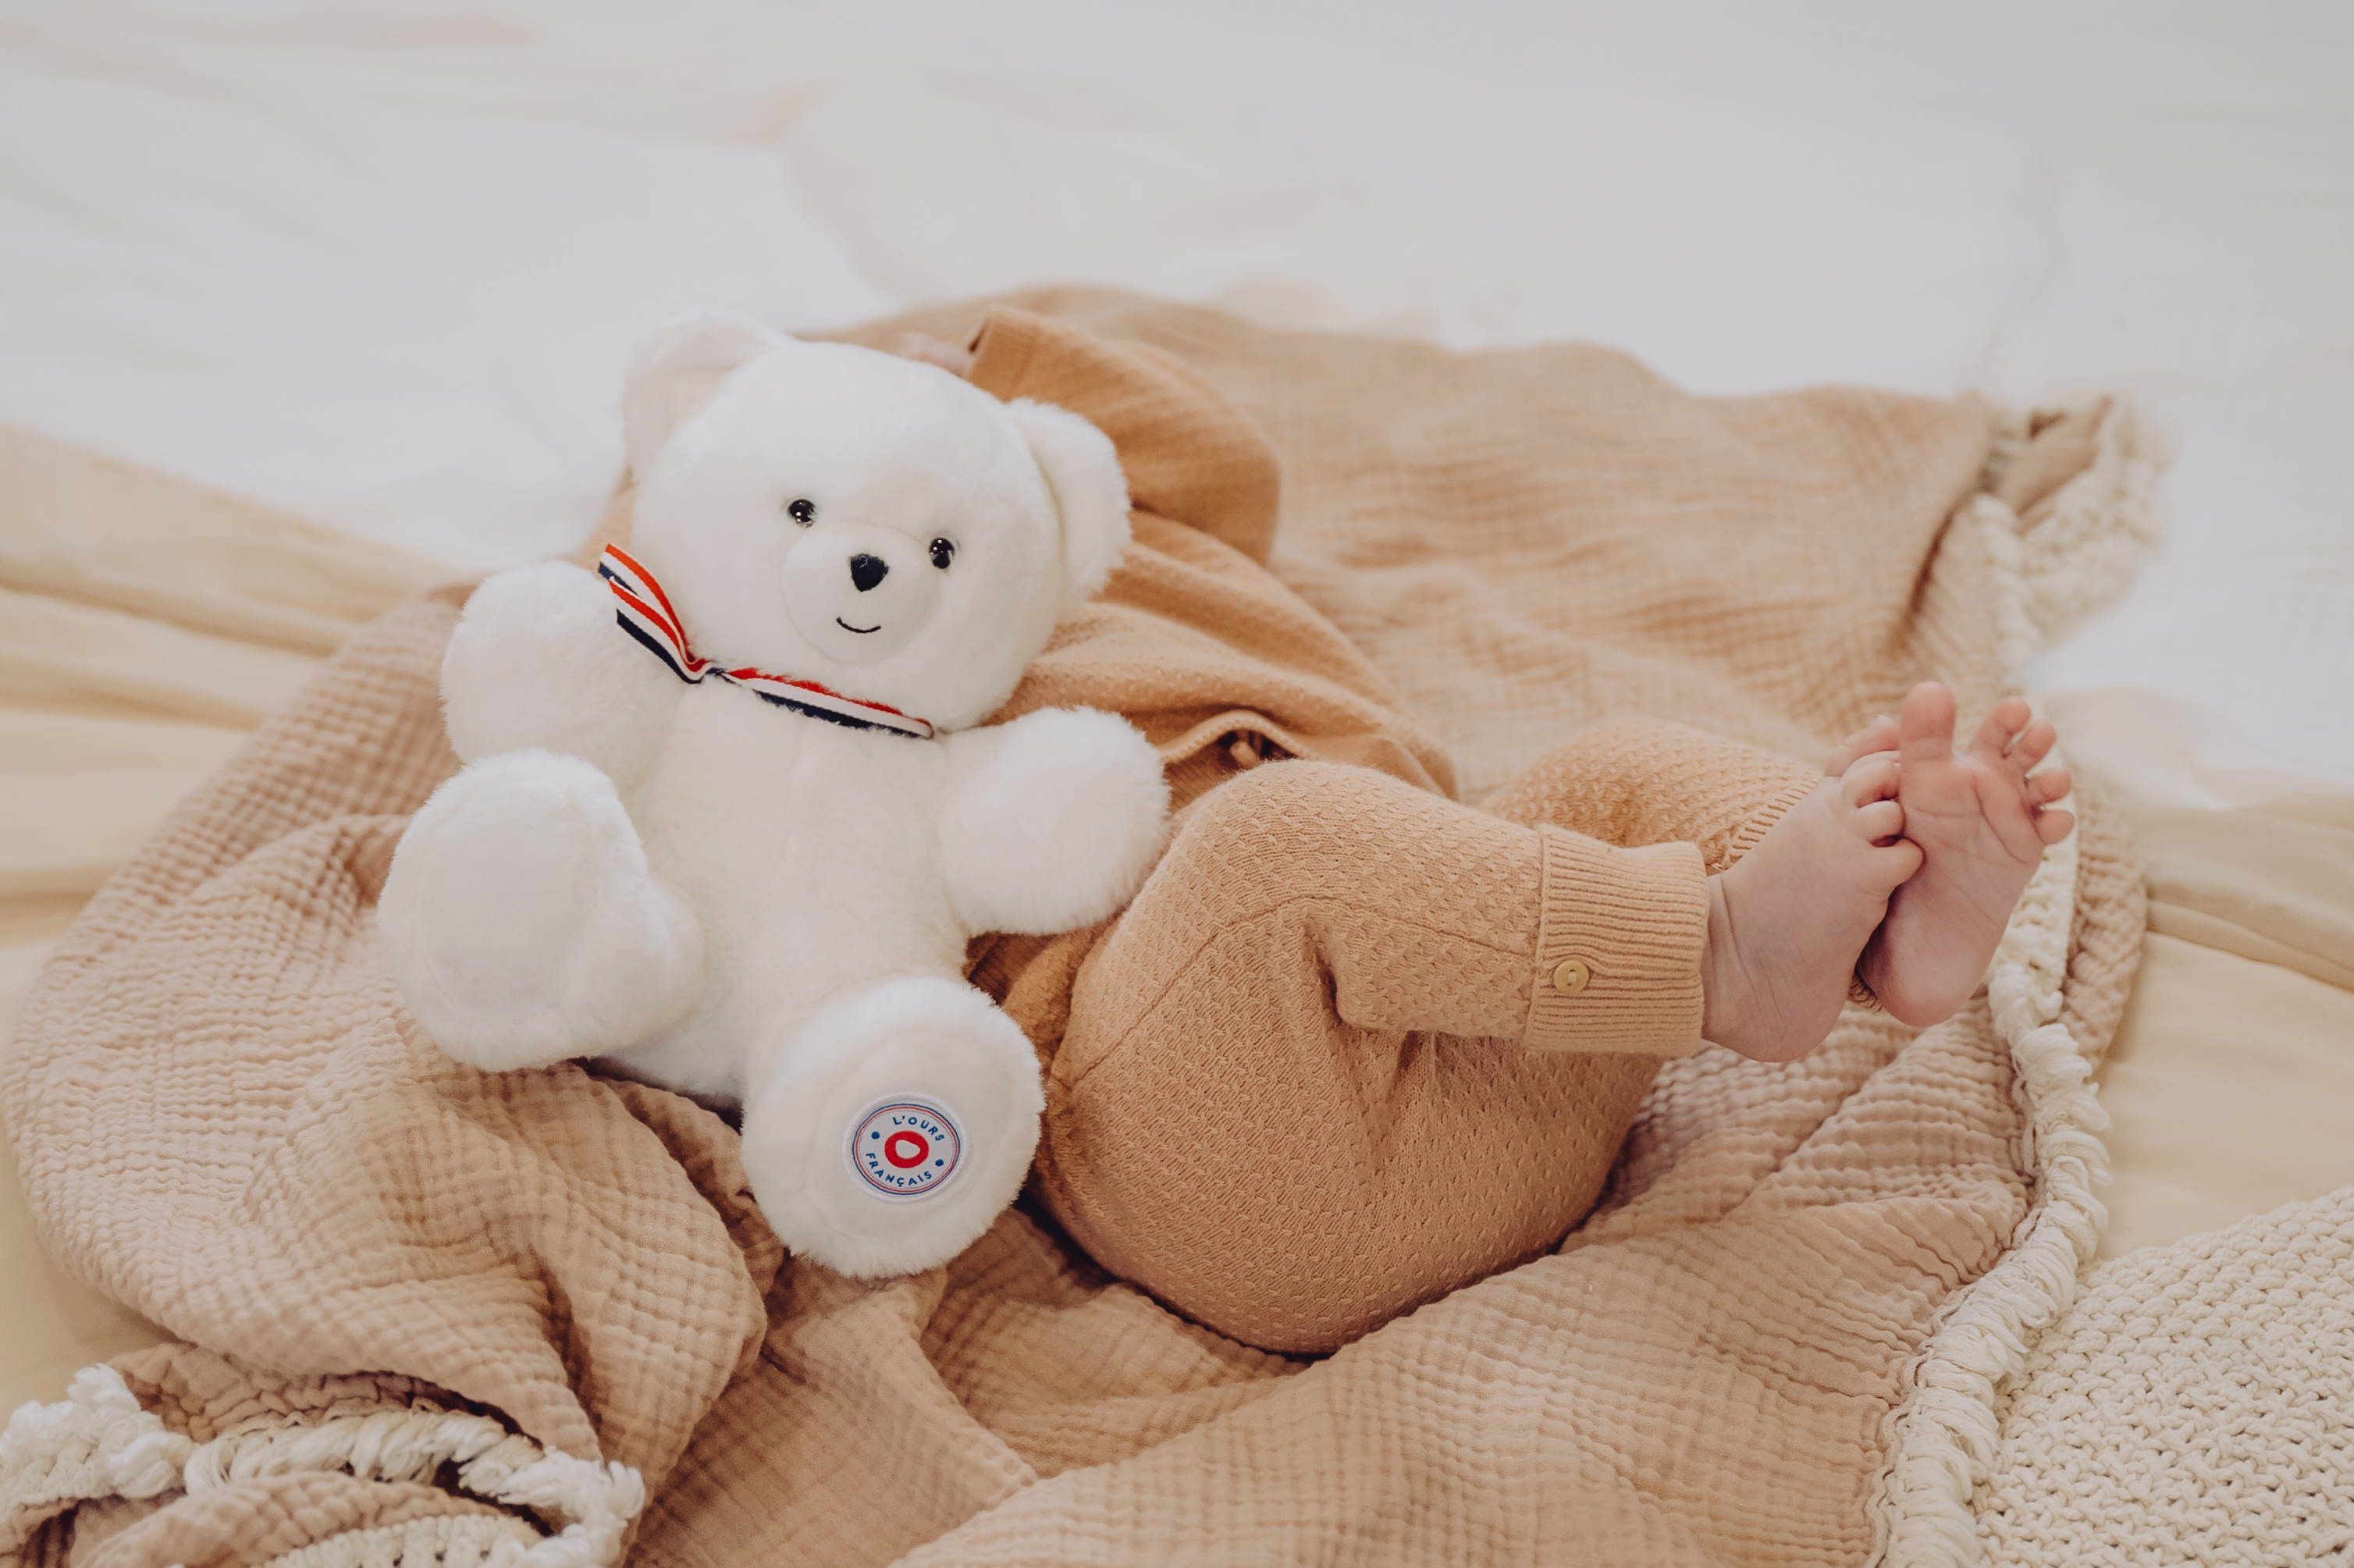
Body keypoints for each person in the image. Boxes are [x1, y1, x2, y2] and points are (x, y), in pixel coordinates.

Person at [859, 312, 2071, 1355]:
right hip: (1219, 1156)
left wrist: (984, 364)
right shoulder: (819, 658)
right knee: (1266, 851)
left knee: (1622, 773)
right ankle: (1720, 955)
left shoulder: (1112, 525)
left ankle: (1880, 931)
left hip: (1496, 1086)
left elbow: (1226, 469)